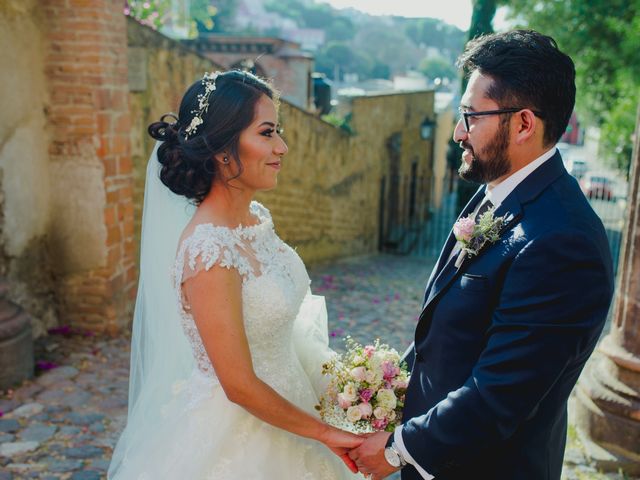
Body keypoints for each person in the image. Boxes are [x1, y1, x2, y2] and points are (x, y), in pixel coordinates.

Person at [348, 30, 614, 480]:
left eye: (471, 116)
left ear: (525, 124)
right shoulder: (497, 189)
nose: (457, 132)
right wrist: (390, 387)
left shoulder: (564, 243)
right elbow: (451, 330)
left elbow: (499, 394)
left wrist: (398, 450)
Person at [108, 70, 362, 479]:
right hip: (242, 433)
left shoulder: (256, 218)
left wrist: (339, 385)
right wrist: (324, 433)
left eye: (277, 131)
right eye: (266, 133)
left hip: (295, 400)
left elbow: (279, 329)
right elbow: (238, 384)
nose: (281, 147)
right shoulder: (208, 252)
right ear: (224, 150)